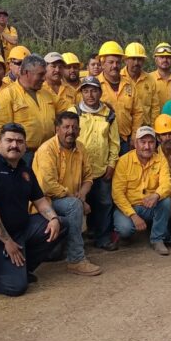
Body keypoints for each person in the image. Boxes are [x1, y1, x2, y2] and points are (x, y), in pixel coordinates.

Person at [0, 123, 67, 296]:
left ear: (25, 146)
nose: (14, 145)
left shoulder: (25, 170)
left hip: (21, 230)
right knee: (16, 288)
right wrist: (7, 241)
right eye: (9, 140)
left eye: (19, 141)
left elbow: (40, 201)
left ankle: (22, 268)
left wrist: (53, 219)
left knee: (61, 224)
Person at [32, 112, 102, 276]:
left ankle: (74, 253)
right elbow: (48, 185)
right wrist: (76, 199)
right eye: (66, 127)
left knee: (75, 204)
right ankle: (76, 259)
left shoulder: (81, 148)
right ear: (57, 129)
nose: (70, 131)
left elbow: (88, 177)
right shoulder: (46, 150)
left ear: (79, 130)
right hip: (46, 202)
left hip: (70, 199)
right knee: (73, 206)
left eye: (74, 127)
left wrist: (83, 195)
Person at [0, 54, 68, 164]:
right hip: (22, 156)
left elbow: (68, 108)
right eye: (41, 75)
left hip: (48, 153)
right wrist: (6, 161)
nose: (44, 78)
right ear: (27, 73)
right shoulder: (7, 95)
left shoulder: (47, 93)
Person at [72, 76, 119, 251]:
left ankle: (103, 238)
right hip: (78, 170)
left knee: (104, 203)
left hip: (101, 169)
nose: (90, 94)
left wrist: (112, 164)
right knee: (77, 204)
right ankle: (77, 242)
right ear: (81, 92)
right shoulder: (74, 111)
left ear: (100, 92)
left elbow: (114, 142)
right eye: (85, 90)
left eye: (93, 90)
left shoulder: (109, 114)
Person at [111, 126, 171, 255]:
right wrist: (133, 216)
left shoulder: (160, 160)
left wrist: (156, 195)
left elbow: (167, 184)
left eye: (151, 142)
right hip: (129, 207)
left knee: (166, 201)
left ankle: (157, 239)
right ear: (135, 144)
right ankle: (125, 236)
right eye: (143, 142)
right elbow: (117, 193)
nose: (147, 146)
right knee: (125, 229)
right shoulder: (124, 161)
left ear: (156, 143)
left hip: (149, 205)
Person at [97, 41, 143, 155]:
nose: (115, 66)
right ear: (102, 64)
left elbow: (138, 112)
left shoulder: (129, 85)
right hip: (102, 140)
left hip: (125, 141)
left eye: (117, 62)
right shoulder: (95, 85)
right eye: (110, 62)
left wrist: (134, 135)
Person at [123, 42, 160, 126]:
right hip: (124, 131)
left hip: (144, 130)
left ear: (143, 61)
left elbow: (155, 108)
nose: (136, 62)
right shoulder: (119, 78)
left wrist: (153, 128)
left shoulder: (150, 80)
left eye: (139, 59)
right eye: (133, 59)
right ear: (126, 60)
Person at [149, 43, 171, 110]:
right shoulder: (148, 79)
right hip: (154, 119)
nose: (165, 60)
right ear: (155, 59)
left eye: (168, 57)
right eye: (161, 57)